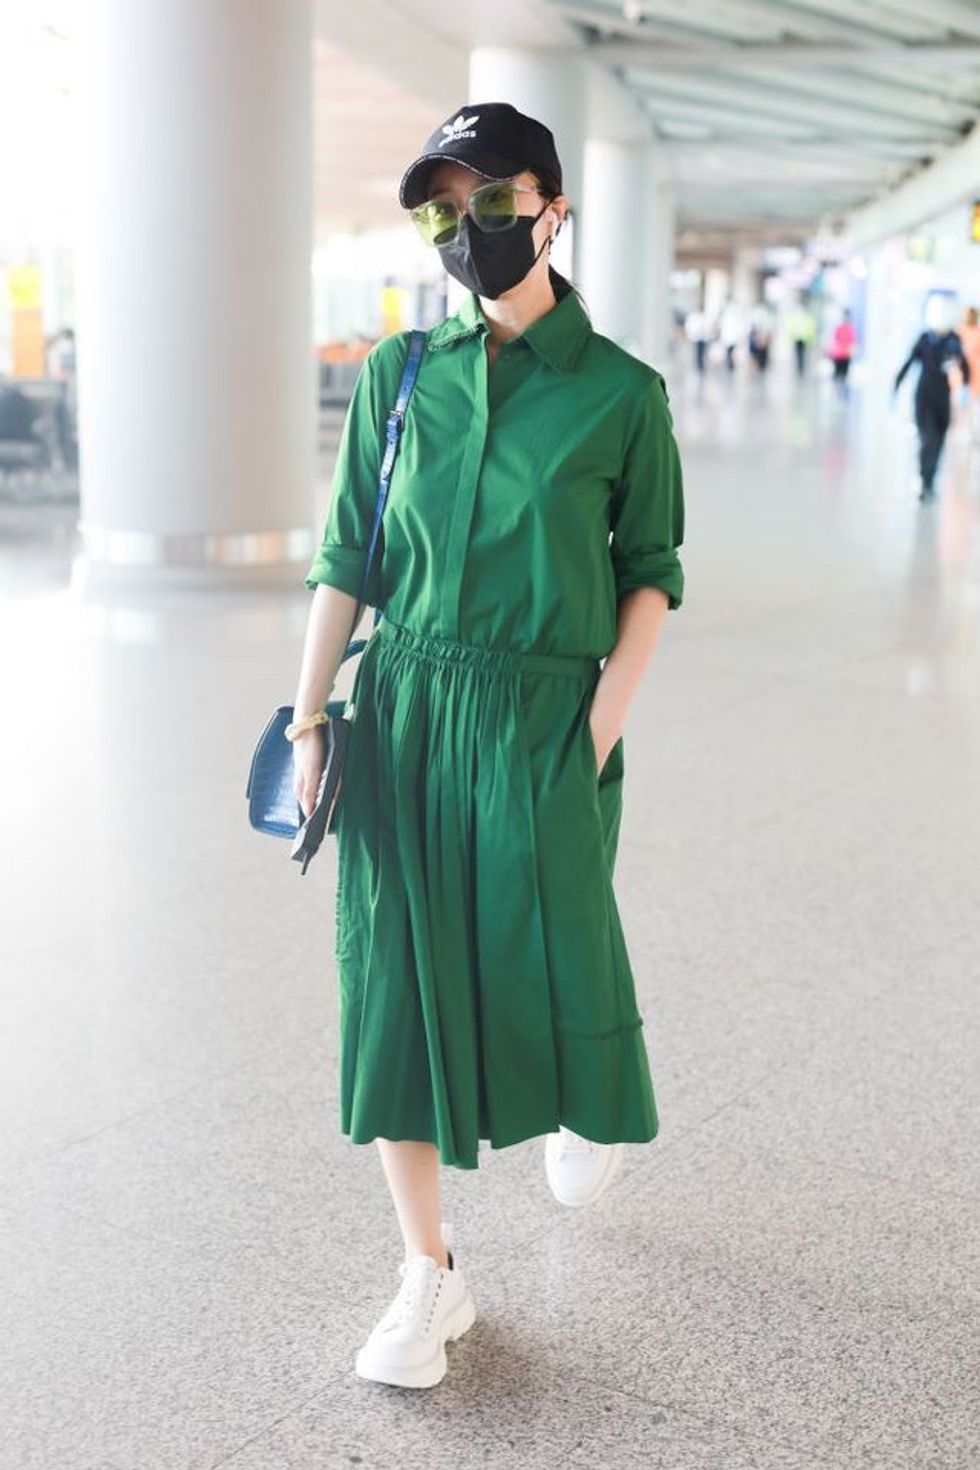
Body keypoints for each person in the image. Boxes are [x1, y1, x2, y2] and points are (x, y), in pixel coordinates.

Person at [290, 102, 685, 1390]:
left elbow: (648, 573)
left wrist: (595, 727)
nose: (468, 231)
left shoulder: (621, 395)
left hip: (542, 710)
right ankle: (428, 1277)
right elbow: (346, 557)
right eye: (441, 211)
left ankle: (585, 1099)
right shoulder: (401, 375)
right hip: (404, 709)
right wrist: (307, 717)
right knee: (391, 981)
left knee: (557, 938)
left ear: (551, 207)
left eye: (494, 203)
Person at [894, 305, 971, 501]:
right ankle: (924, 479)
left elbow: (965, 365)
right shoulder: (925, 339)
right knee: (928, 439)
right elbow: (910, 362)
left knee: (939, 440)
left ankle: (931, 479)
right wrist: (897, 384)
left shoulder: (954, 340)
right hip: (924, 395)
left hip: (943, 397)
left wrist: (965, 388)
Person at [956, 305, 980, 438]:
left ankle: (973, 433)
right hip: (960, 376)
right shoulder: (959, 332)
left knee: (975, 406)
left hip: (976, 375)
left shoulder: (978, 332)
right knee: (961, 405)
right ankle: (962, 431)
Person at [828, 309, 857, 395]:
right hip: (838, 354)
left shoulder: (850, 329)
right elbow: (834, 339)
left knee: (844, 374)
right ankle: (836, 391)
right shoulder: (839, 328)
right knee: (837, 374)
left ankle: (842, 391)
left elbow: (852, 341)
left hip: (846, 355)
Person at [786, 300, 817, 378]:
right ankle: (801, 367)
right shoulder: (806, 317)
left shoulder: (797, 317)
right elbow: (810, 328)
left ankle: (800, 367)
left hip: (799, 338)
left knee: (799, 354)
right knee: (801, 354)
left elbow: (792, 327)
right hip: (803, 338)